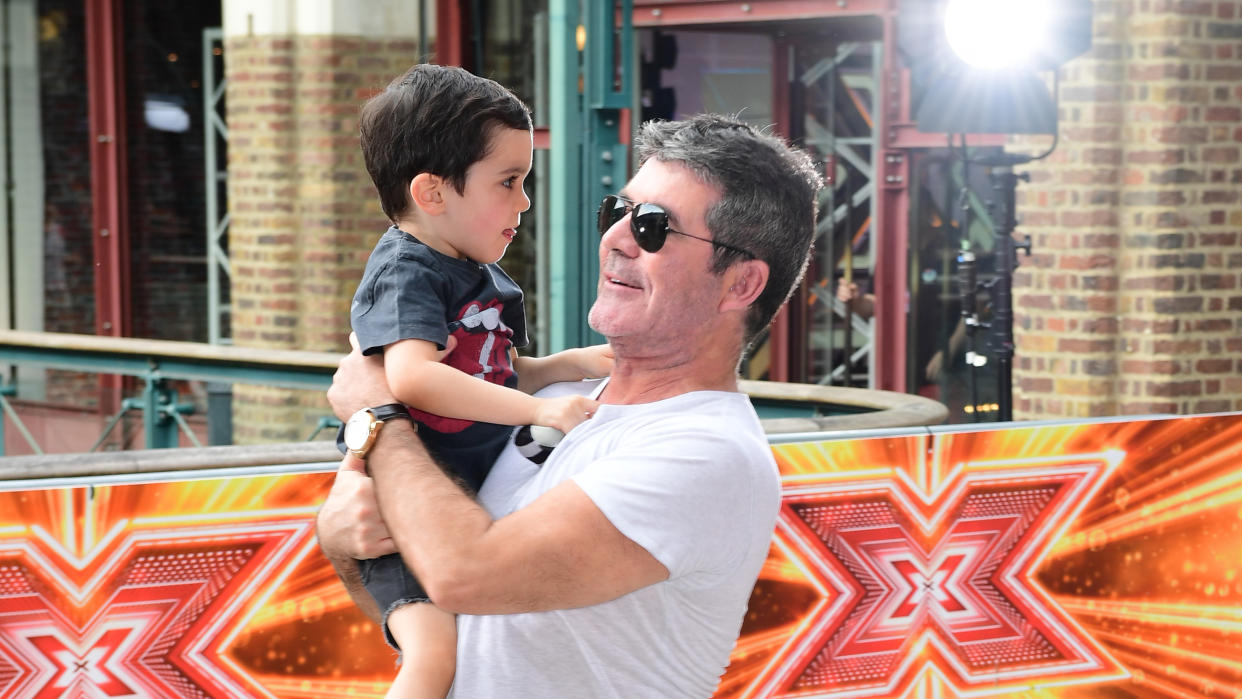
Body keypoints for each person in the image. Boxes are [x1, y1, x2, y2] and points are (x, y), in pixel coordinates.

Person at [317, 113, 822, 697]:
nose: (616, 239)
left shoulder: (708, 456)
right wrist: (347, 545)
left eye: (654, 227)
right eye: (618, 212)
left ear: (741, 285)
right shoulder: (558, 397)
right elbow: (445, 602)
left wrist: (376, 414)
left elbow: (464, 575)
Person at [342, 63, 611, 698]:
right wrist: (539, 411)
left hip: (460, 502)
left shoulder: (480, 275)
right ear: (432, 193)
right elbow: (412, 380)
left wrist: (563, 365)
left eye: (525, 181)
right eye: (509, 182)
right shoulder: (408, 271)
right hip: (403, 518)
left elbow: (486, 371)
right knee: (435, 657)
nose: (524, 202)